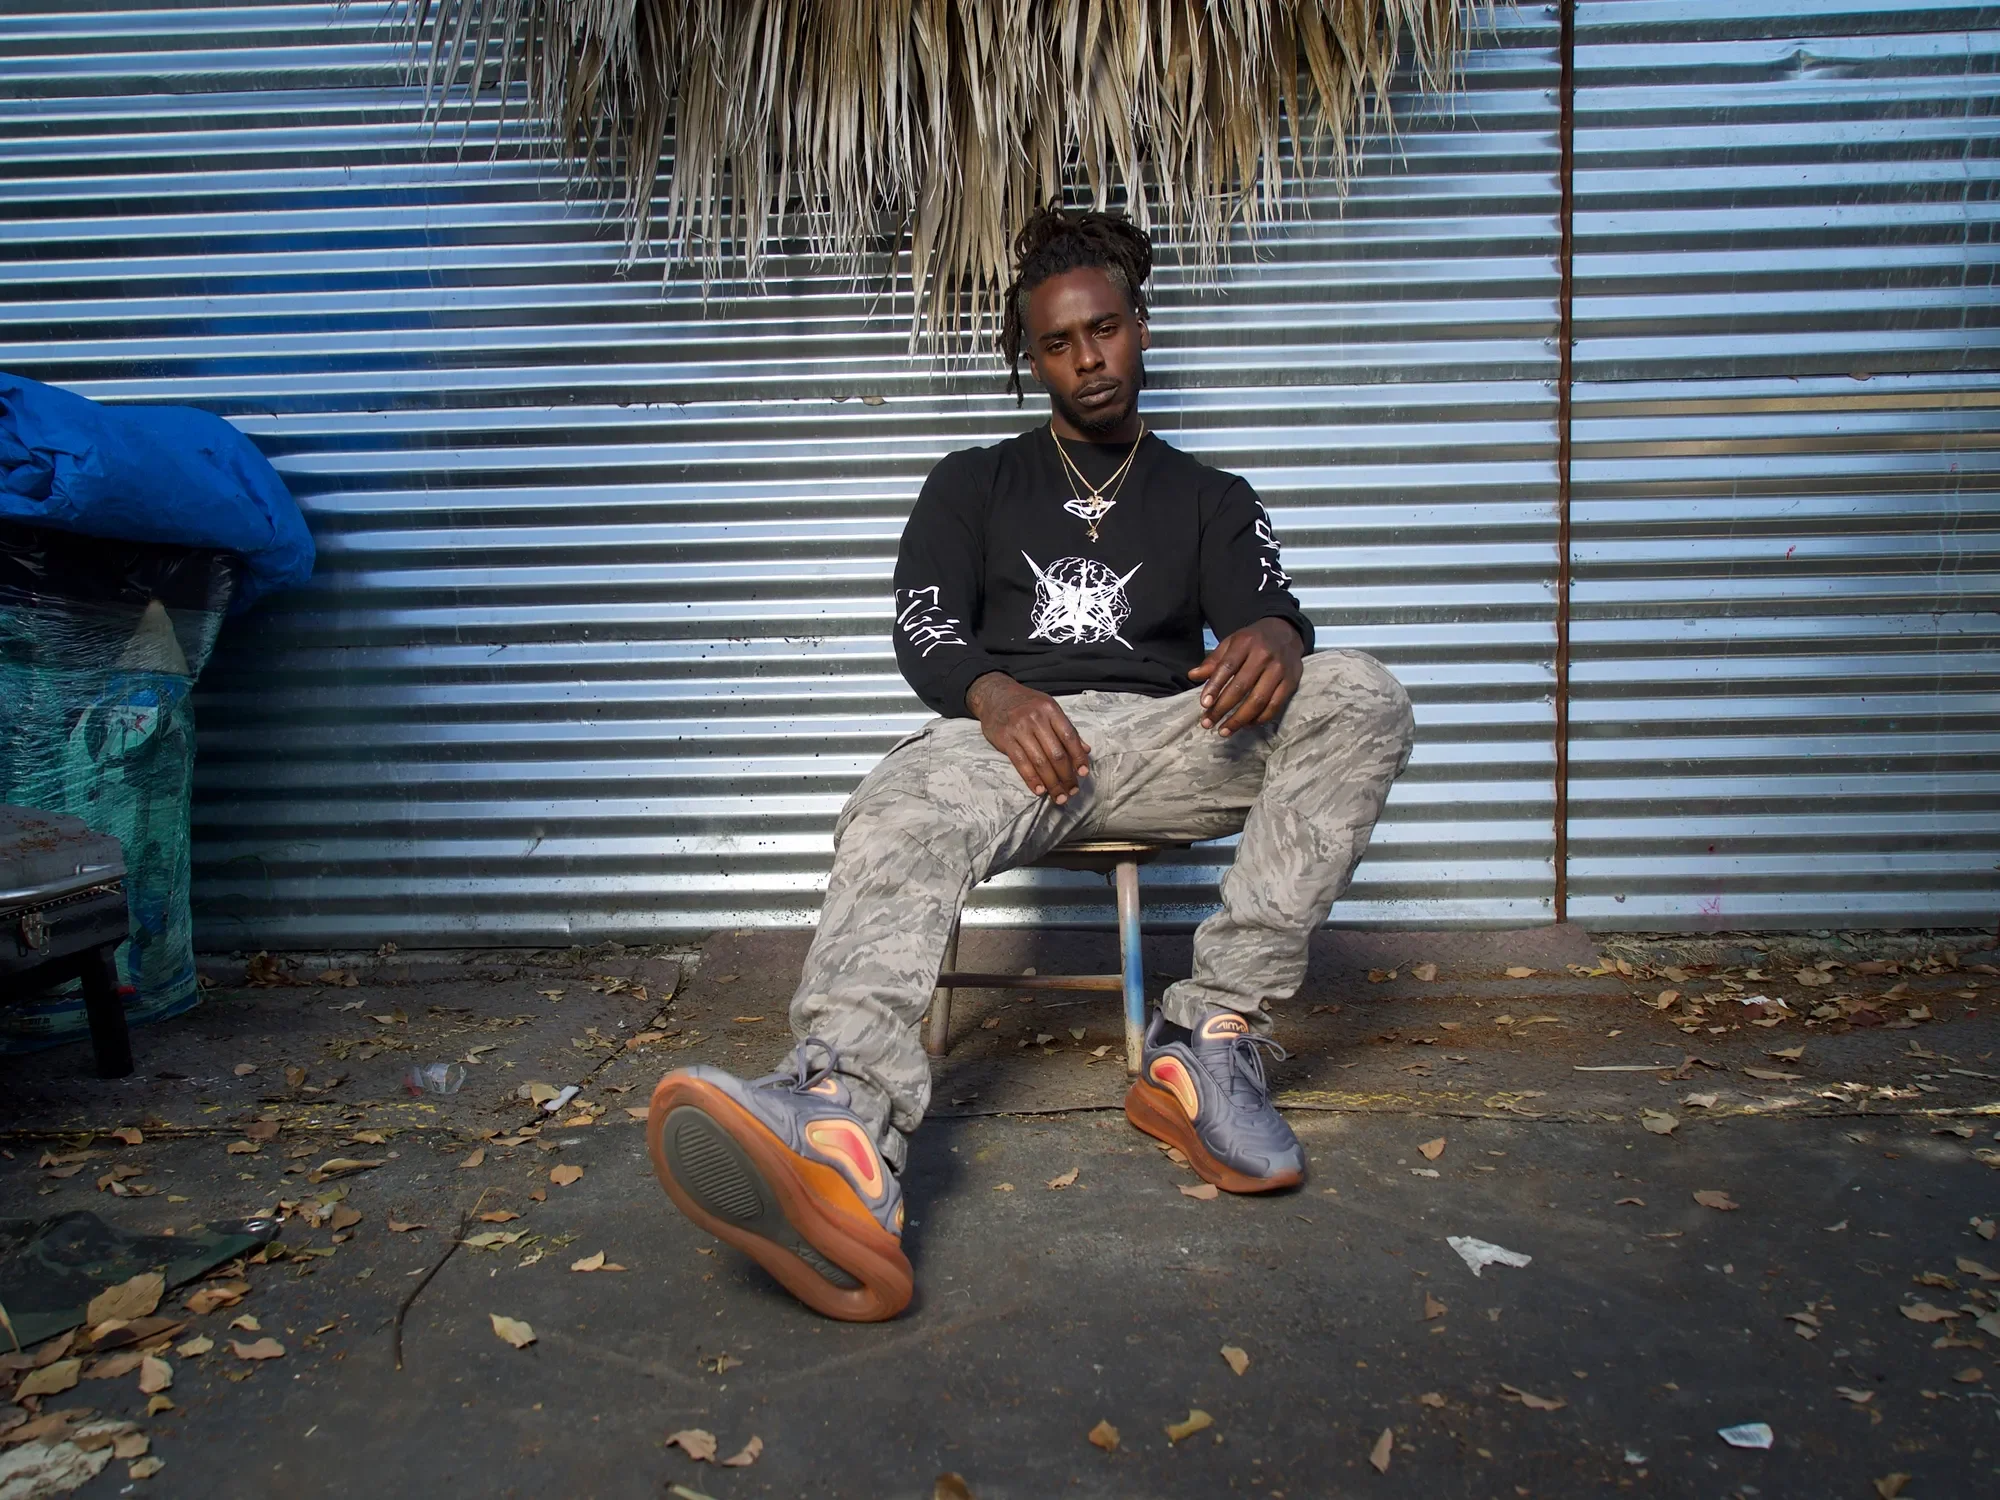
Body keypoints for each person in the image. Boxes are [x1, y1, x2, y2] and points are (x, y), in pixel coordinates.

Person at [648, 206, 1416, 1321]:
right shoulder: (973, 482)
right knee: (901, 801)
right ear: (1029, 356)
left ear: (1139, 328)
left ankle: (1205, 1041)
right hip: (1009, 744)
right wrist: (993, 694)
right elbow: (921, 626)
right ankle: (843, 1131)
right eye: (1058, 343)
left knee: (1361, 690)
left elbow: (1263, 608)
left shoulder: (1209, 495)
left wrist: (1279, 639)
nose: (1087, 359)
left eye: (1103, 330)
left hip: (1166, 743)